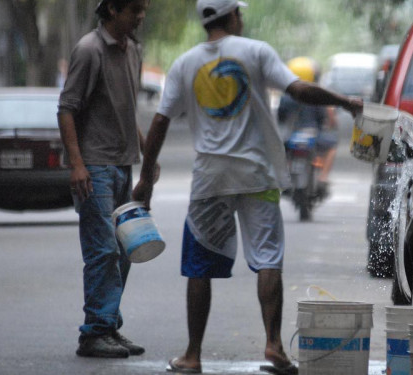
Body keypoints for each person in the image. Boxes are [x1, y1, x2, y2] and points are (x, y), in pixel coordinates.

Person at [130, 1, 362, 374]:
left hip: (210, 179)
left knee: (199, 266)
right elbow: (299, 90)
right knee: (268, 257)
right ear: (233, 15)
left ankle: (192, 354)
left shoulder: (185, 64)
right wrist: (345, 102)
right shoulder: (256, 51)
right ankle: (273, 344)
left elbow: (159, 122)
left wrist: (145, 179)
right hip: (257, 176)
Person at [57, 0, 150, 359]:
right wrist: (76, 164)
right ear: (112, 9)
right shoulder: (89, 50)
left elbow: (124, 106)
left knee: (125, 249)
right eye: (135, 9)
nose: (141, 16)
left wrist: (147, 151)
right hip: (94, 166)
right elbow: (67, 109)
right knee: (103, 251)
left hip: (123, 164)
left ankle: (107, 324)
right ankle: (94, 332)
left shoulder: (132, 50)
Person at [277, 56, 339, 197]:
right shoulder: (316, 96)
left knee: (280, 151)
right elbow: (322, 119)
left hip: (290, 137)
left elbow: (280, 117)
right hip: (313, 136)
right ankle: (323, 178)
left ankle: (285, 176)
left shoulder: (286, 96)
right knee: (332, 146)